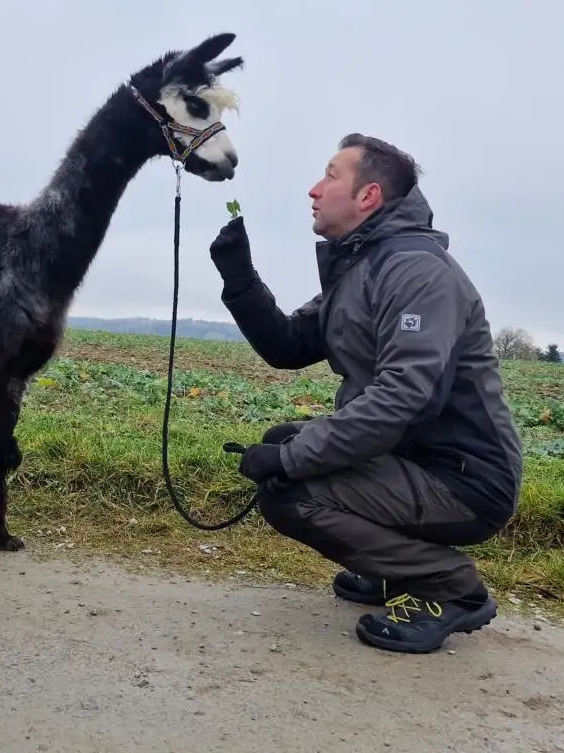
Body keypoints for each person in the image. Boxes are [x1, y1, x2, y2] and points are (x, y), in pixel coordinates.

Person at [208, 133, 524, 655]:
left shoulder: (416, 271)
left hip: (464, 479)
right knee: (284, 440)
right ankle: (389, 573)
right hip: (411, 461)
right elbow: (288, 346)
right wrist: (240, 278)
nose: (314, 189)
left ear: (368, 196)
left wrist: (289, 460)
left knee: (291, 489)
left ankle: (450, 587)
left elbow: (403, 398)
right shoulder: (363, 266)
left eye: (331, 175)